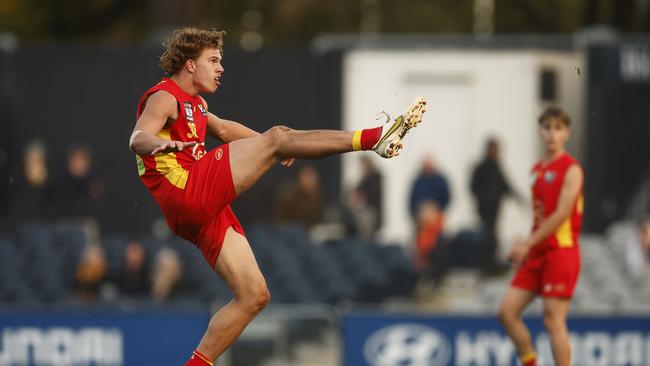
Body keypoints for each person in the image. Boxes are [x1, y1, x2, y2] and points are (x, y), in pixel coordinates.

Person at [128, 27, 426, 366]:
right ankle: (375, 138)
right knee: (278, 137)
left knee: (254, 296)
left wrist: (269, 146)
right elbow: (138, 138)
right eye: (213, 60)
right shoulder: (164, 96)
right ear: (190, 65)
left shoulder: (196, 104)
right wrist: (162, 143)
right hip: (186, 189)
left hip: (196, 211)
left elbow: (224, 131)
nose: (221, 67)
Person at [497, 107, 584, 366]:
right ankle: (530, 362)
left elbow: (561, 215)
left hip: (561, 251)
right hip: (537, 250)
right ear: (540, 131)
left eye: (558, 128)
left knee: (552, 319)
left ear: (567, 133)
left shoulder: (572, 169)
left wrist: (527, 244)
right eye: (547, 127)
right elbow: (540, 217)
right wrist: (525, 247)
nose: (552, 134)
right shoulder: (536, 170)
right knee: (507, 313)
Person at [470, 137, 522, 274]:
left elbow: (505, 185)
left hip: (495, 209)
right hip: (484, 210)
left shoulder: (497, 166)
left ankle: (490, 265)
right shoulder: (481, 167)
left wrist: (517, 197)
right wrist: (484, 198)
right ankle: (486, 266)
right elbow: (473, 187)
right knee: (488, 237)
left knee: (493, 236)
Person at [408, 155, 450, 270]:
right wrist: (418, 213)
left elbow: (446, 198)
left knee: (438, 246)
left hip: (436, 220)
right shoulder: (418, 181)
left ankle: (436, 270)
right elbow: (411, 201)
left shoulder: (440, 180)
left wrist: (435, 210)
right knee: (420, 247)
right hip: (420, 221)